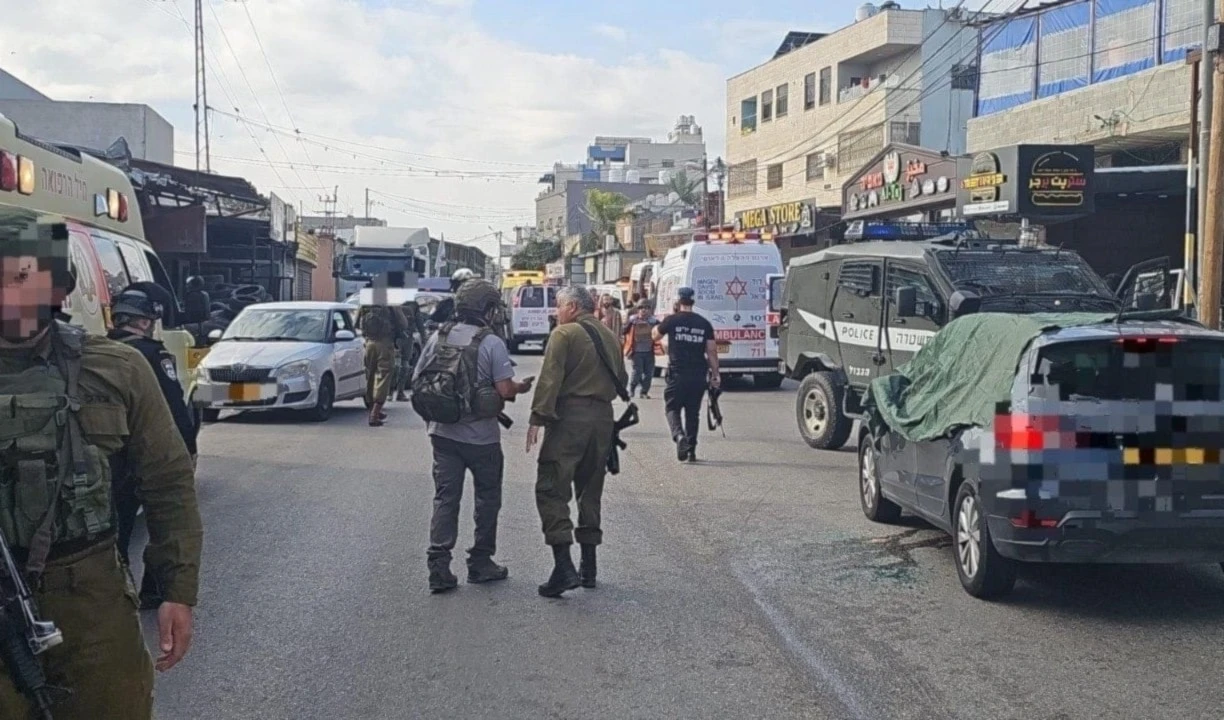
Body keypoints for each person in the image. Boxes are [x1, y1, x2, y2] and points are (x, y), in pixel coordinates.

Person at [0, 221, 201, 719]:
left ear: (60, 286)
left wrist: (177, 590)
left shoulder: (118, 368)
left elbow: (168, 481)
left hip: (90, 599)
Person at [415, 280, 534, 593]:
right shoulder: (491, 342)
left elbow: (418, 379)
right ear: (487, 309)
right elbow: (505, 390)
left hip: (441, 434)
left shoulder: (437, 337)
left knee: (445, 498)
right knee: (487, 498)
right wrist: (520, 387)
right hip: (481, 439)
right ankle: (481, 562)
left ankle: (439, 566)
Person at [527, 285, 627, 598]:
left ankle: (563, 567)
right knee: (590, 489)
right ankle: (589, 567)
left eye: (558, 307)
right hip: (603, 420)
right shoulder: (609, 335)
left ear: (571, 307)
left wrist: (538, 417)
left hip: (570, 419)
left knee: (551, 487)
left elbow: (550, 377)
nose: (555, 314)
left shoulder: (565, 334)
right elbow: (622, 379)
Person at [107, 284, 199, 611]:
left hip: (106, 456)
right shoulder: (152, 354)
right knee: (164, 524)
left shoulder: (96, 351)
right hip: (144, 455)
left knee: (115, 527)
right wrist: (187, 448)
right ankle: (155, 591)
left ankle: (113, 592)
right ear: (145, 321)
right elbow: (174, 406)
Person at [653, 287, 719, 463]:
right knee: (692, 413)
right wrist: (716, 374)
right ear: (693, 301)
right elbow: (712, 351)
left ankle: (678, 435)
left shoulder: (672, 321)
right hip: (698, 375)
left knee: (672, 408)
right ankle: (691, 452)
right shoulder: (704, 323)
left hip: (677, 374)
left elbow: (655, 336)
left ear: (678, 302)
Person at [357, 302, 408, 426]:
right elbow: (403, 323)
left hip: (369, 343)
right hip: (385, 344)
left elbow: (357, 323)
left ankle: (372, 409)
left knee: (370, 375)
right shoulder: (391, 302)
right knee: (383, 376)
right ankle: (375, 413)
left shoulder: (366, 302)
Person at [393, 300, 428, 402]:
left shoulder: (412, 304)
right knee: (398, 365)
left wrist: (424, 337)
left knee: (403, 365)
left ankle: (397, 391)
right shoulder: (394, 303)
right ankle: (394, 391)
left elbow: (419, 322)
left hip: (403, 338)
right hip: (399, 338)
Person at [623, 300, 659, 399]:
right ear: (638, 310)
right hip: (637, 351)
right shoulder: (633, 320)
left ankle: (644, 392)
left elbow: (662, 330)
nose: (644, 310)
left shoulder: (653, 321)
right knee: (637, 372)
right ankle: (632, 389)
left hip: (649, 351)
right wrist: (629, 323)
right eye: (641, 308)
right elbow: (624, 331)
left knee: (648, 374)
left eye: (646, 308)